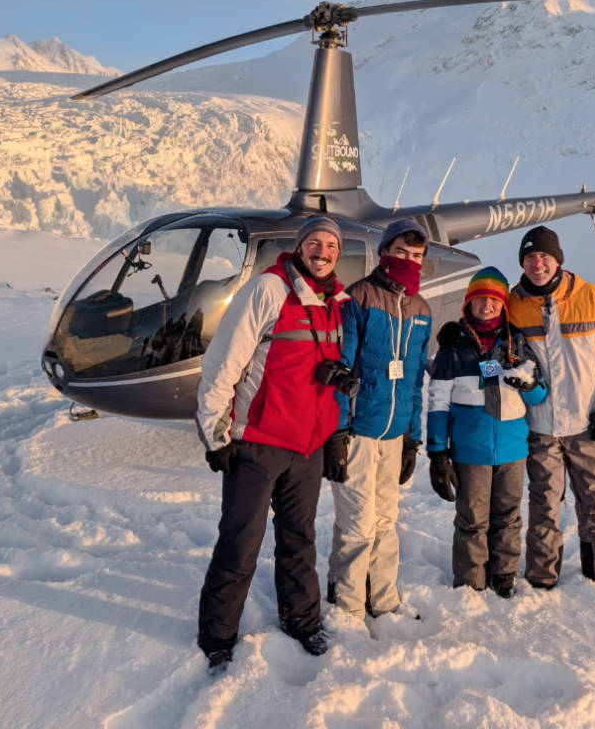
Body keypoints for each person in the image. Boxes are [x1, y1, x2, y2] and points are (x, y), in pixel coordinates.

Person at [195, 215, 351, 671]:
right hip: (258, 442)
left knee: (299, 539)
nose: (323, 252)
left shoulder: (334, 302)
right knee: (241, 541)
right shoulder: (268, 290)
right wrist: (214, 433)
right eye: (315, 243)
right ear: (300, 246)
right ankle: (218, 634)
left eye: (331, 246)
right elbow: (223, 362)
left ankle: (302, 620)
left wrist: (335, 433)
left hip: (307, 446)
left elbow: (332, 373)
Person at [508, 225, 595, 595]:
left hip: (586, 424)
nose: (537, 264)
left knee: (593, 504)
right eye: (530, 257)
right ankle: (542, 581)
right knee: (544, 507)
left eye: (544, 257)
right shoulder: (514, 305)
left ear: (558, 260)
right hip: (540, 427)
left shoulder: (591, 297)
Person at [322, 218, 432, 622]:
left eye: (416, 256)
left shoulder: (421, 310)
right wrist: (336, 431)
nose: (408, 260)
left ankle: (383, 600)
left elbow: (416, 380)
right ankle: (347, 607)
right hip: (358, 432)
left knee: (386, 520)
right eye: (401, 252)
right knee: (357, 524)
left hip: (393, 434)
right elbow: (340, 367)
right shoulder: (358, 298)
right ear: (384, 253)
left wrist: (412, 438)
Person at [426, 267, 547, 597]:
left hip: (512, 449)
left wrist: (530, 383)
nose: (486, 306)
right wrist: (437, 450)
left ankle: (504, 576)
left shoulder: (517, 343)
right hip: (470, 450)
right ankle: (470, 584)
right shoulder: (454, 348)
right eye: (479, 299)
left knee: (508, 518)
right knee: (471, 519)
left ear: (503, 305)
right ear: (468, 303)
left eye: (493, 300)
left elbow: (539, 395)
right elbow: (437, 401)